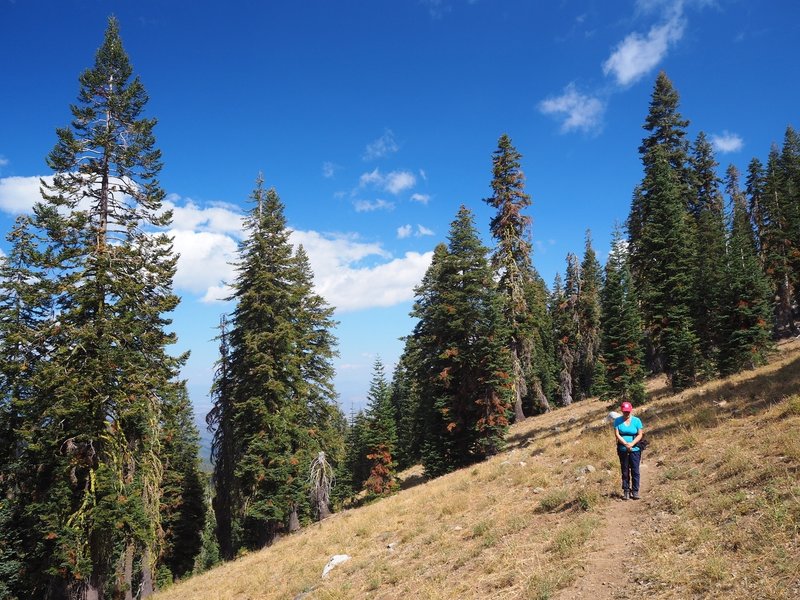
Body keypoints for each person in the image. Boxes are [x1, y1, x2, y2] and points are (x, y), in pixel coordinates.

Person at [613, 401, 644, 500]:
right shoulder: (617, 421)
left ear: (630, 410)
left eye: (628, 411)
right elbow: (617, 434)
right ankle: (626, 490)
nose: (626, 413)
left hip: (635, 448)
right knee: (625, 470)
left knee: (635, 470)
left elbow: (640, 434)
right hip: (623, 449)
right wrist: (625, 444)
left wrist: (632, 444)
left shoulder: (637, 420)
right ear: (622, 411)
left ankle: (635, 491)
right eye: (624, 411)